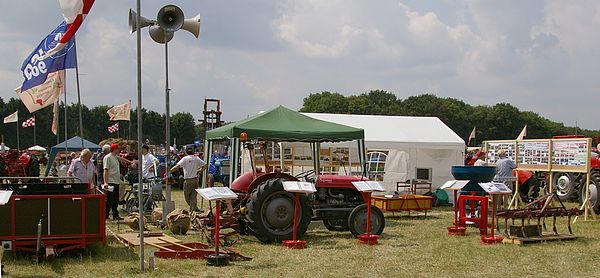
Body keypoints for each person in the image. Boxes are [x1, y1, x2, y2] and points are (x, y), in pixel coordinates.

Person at [170, 146, 207, 212]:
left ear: (185, 152)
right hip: (195, 180)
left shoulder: (185, 159)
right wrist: (199, 170)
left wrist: (169, 171)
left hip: (188, 180)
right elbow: (205, 165)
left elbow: (177, 167)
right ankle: (194, 209)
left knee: (187, 196)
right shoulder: (196, 158)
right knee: (193, 196)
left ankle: (193, 209)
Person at [103, 144, 124, 220]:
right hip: (110, 181)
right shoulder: (108, 157)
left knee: (115, 199)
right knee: (109, 200)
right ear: (114, 149)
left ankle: (115, 214)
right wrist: (106, 182)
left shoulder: (115, 157)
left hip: (116, 181)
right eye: (117, 149)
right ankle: (105, 215)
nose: (118, 150)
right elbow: (105, 170)